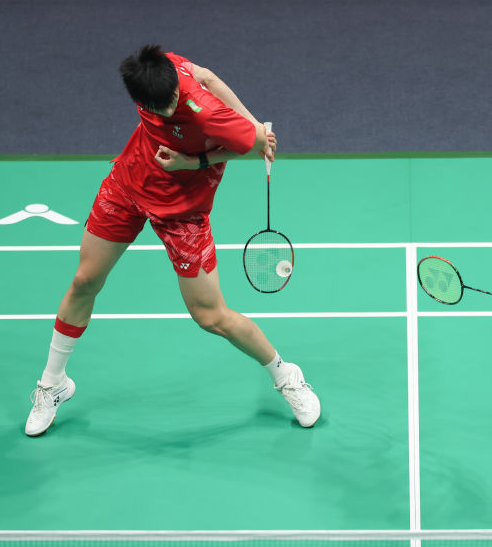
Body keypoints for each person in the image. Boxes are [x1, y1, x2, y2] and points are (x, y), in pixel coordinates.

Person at [24, 45, 320, 437]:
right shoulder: (156, 70)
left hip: (183, 212)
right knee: (84, 281)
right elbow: (205, 72)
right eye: (160, 106)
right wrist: (248, 127)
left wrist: (197, 160)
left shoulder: (206, 112)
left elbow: (251, 144)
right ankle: (53, 385)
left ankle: (287, 376)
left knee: (210, 316)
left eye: (173, 100)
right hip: (127, 185)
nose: (169, 107)